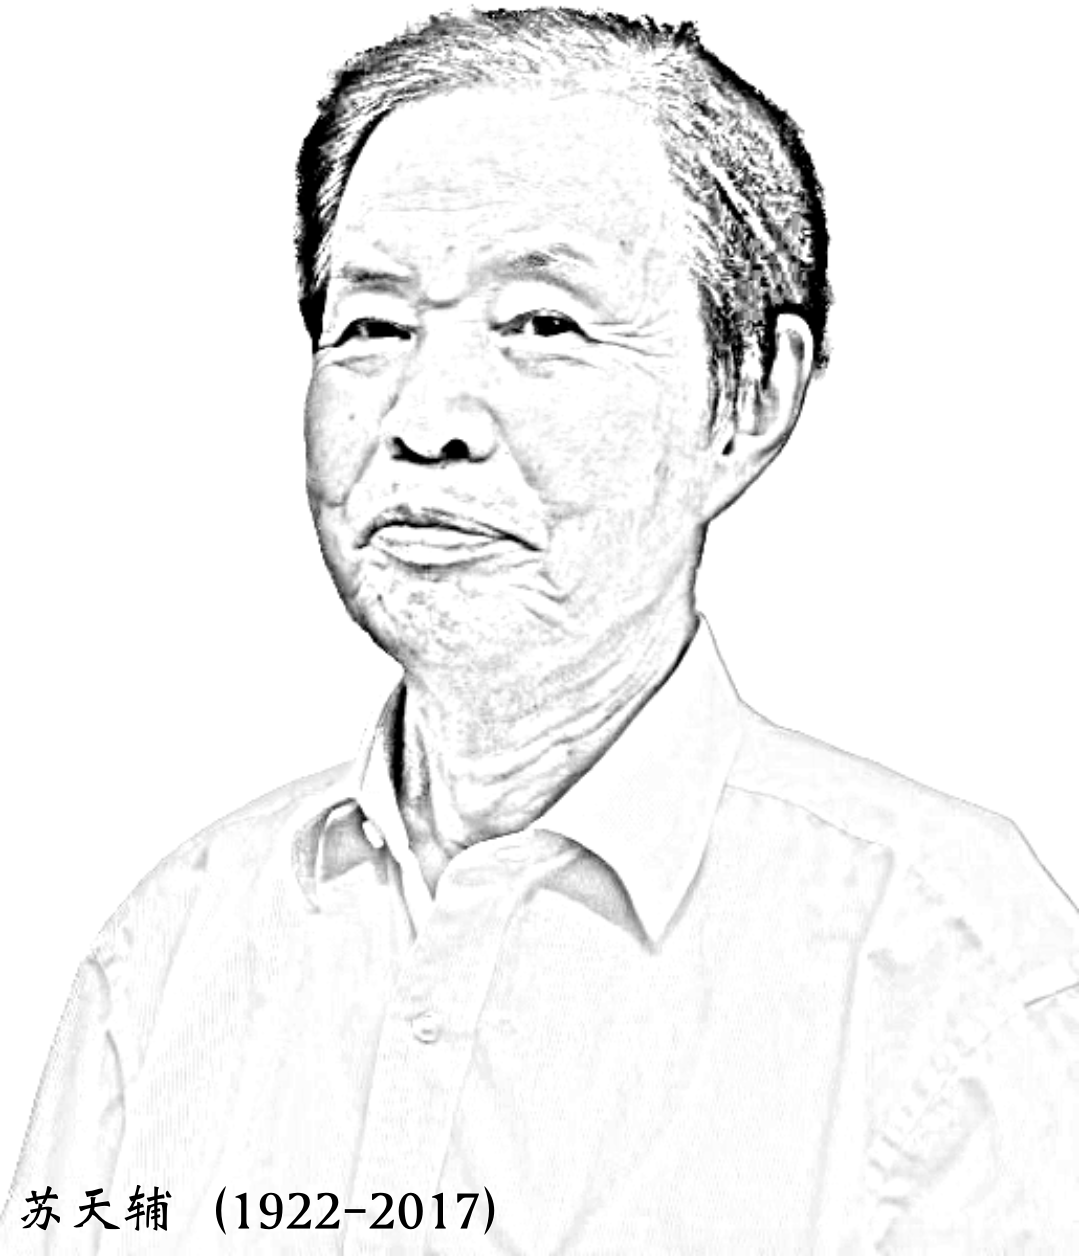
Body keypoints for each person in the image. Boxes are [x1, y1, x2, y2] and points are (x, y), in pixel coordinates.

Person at [5, 7, 1078, 1253]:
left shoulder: (949, 964)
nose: (427, 419)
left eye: (541, 324)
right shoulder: (172, 945)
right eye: (372, 326)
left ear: (751, 396)